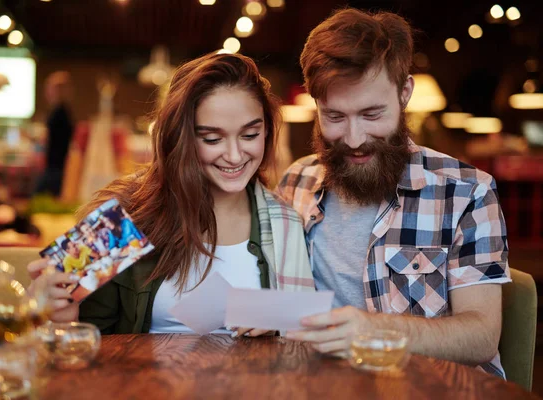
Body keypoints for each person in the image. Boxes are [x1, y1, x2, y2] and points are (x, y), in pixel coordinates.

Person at [277, 8, 511, 377]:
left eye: (372, 114)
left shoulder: (467, 192)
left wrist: (375, 330)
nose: (353, 140)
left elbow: (481, 337)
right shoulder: (296, 182)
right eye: (334, 117)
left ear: (404, 93)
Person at [27, 53, 315, 336]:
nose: (234, 155)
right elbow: (60, 328)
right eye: (212, 139)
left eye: (250, 135)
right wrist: (57, 317)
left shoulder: (285, 221)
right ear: (180, 137)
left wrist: (279, 317)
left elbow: (309, 325)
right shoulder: (123, 215)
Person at [35, 71, 74, 196]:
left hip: (56, 167)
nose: (47, 92)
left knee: (39, 197)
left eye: (50, 87)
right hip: (56, 166)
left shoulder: (60, 113)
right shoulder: (60, 111)